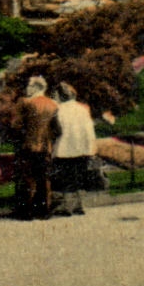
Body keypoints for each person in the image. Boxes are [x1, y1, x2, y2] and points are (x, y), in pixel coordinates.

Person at [11, 75, 58, 220]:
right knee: (44, 178)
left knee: (27, 178)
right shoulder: (53, 104)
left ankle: (26, 211)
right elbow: (56, 128)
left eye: (29, 85)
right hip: (46, 146)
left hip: (28, 145)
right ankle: (44, 210)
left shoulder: (25, 102)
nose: (27, 88)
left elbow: (16, 125)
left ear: (36, 87)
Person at [51, 82, 97, 216]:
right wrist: (91, 149)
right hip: (81, 148)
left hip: (64, 148)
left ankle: (67, 207)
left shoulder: (58, 110)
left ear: (59, 96)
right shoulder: (82, 109)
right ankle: (78, 205)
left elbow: (56, 131)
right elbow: (89, 130)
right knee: (79, 177)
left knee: (66, 179)